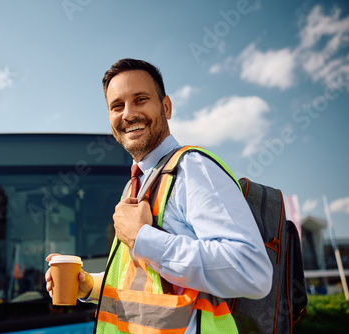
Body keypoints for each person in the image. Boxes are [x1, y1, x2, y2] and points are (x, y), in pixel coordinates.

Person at [46, 58, 273, 333]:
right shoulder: (138, 185)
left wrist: (142, 238)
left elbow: (251, 270)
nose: (128, 114)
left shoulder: (192, 168)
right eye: (117, 106)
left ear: (166, 107)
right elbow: (148, 283)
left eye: (140, 100)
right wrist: (91, 285)